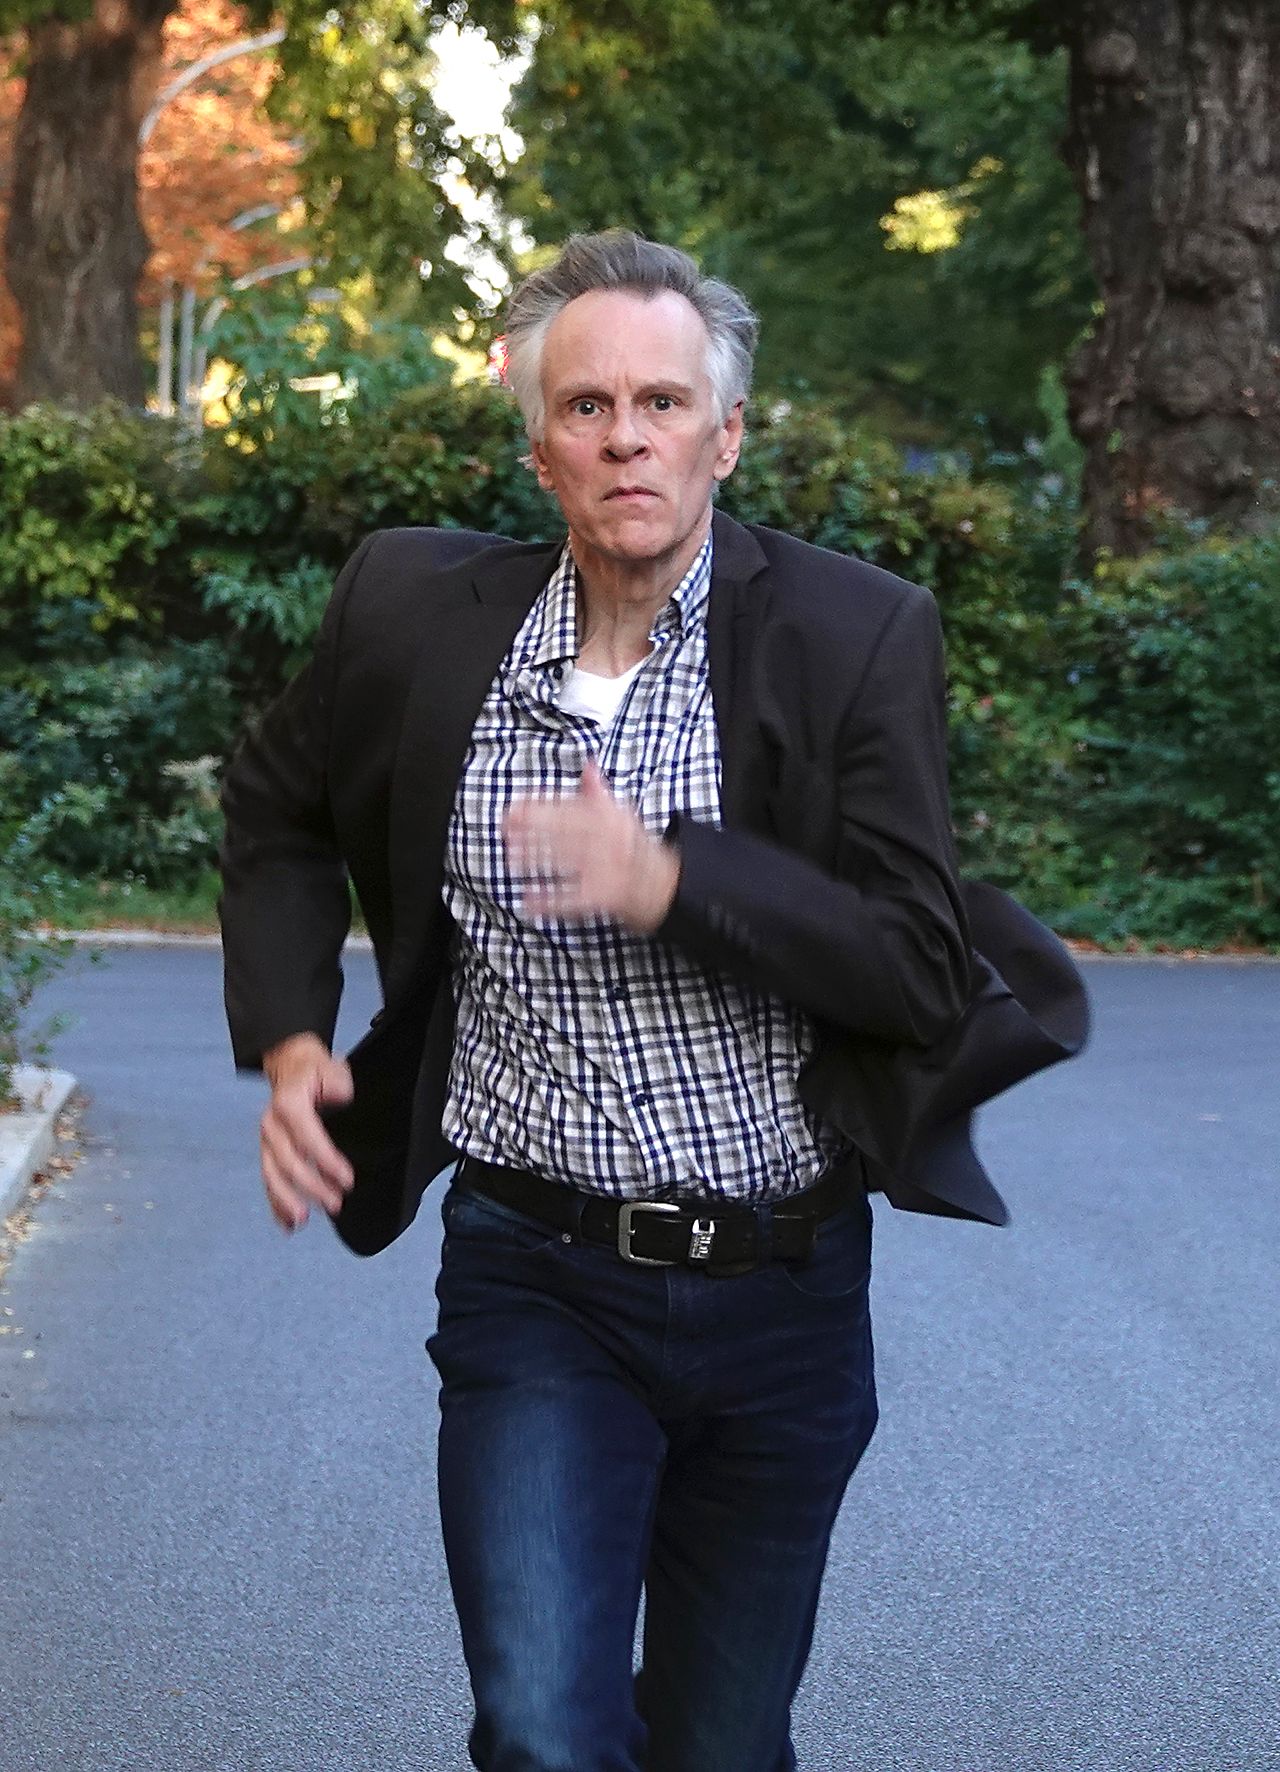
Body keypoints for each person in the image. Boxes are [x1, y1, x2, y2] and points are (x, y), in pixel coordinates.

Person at [219, 231, 1087, 1772]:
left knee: (719, 1744)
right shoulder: (416, 616)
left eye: (664, 404)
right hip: (535, 1274)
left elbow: (914, 963)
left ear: (725, 436)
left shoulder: (851, 637)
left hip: (783, 1288)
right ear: (540, 445)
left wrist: (672, 879)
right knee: (544, 1729)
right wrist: (293, 1042)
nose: (628, 436)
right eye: (589, 405)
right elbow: (277, 812)